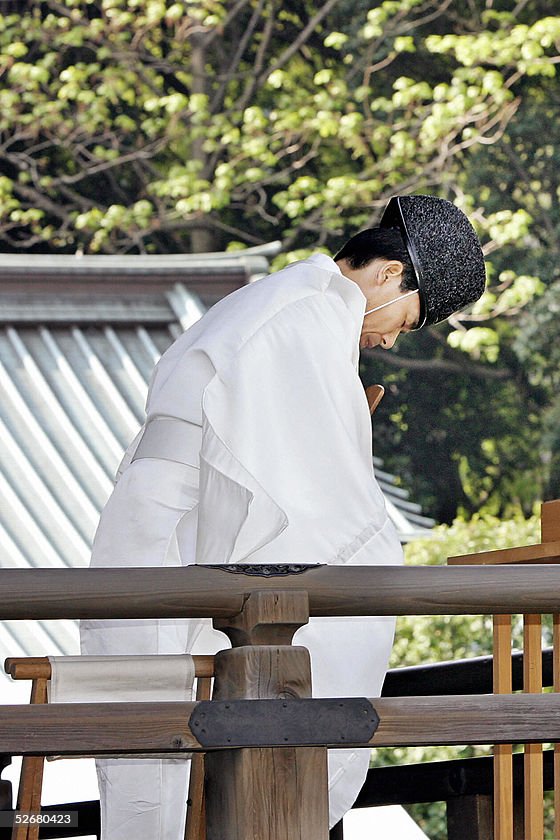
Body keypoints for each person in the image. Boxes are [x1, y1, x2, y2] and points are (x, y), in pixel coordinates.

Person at [78, 195, 486, 839]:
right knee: (367, 569)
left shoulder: (281, 295)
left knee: (156, 735)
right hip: (181, 524)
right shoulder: (313, 312)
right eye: (406, 322)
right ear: (389, 274)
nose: (388, 337)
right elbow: (327, 502)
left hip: (165, 518)